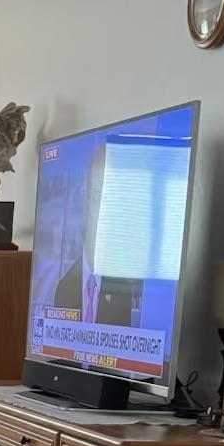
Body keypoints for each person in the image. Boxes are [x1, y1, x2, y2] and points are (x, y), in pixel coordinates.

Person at [51, 140, 143, 327]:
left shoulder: (128, 289)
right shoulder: (63, 287)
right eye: (97, 197)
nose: (104, 214)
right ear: (85, 202)